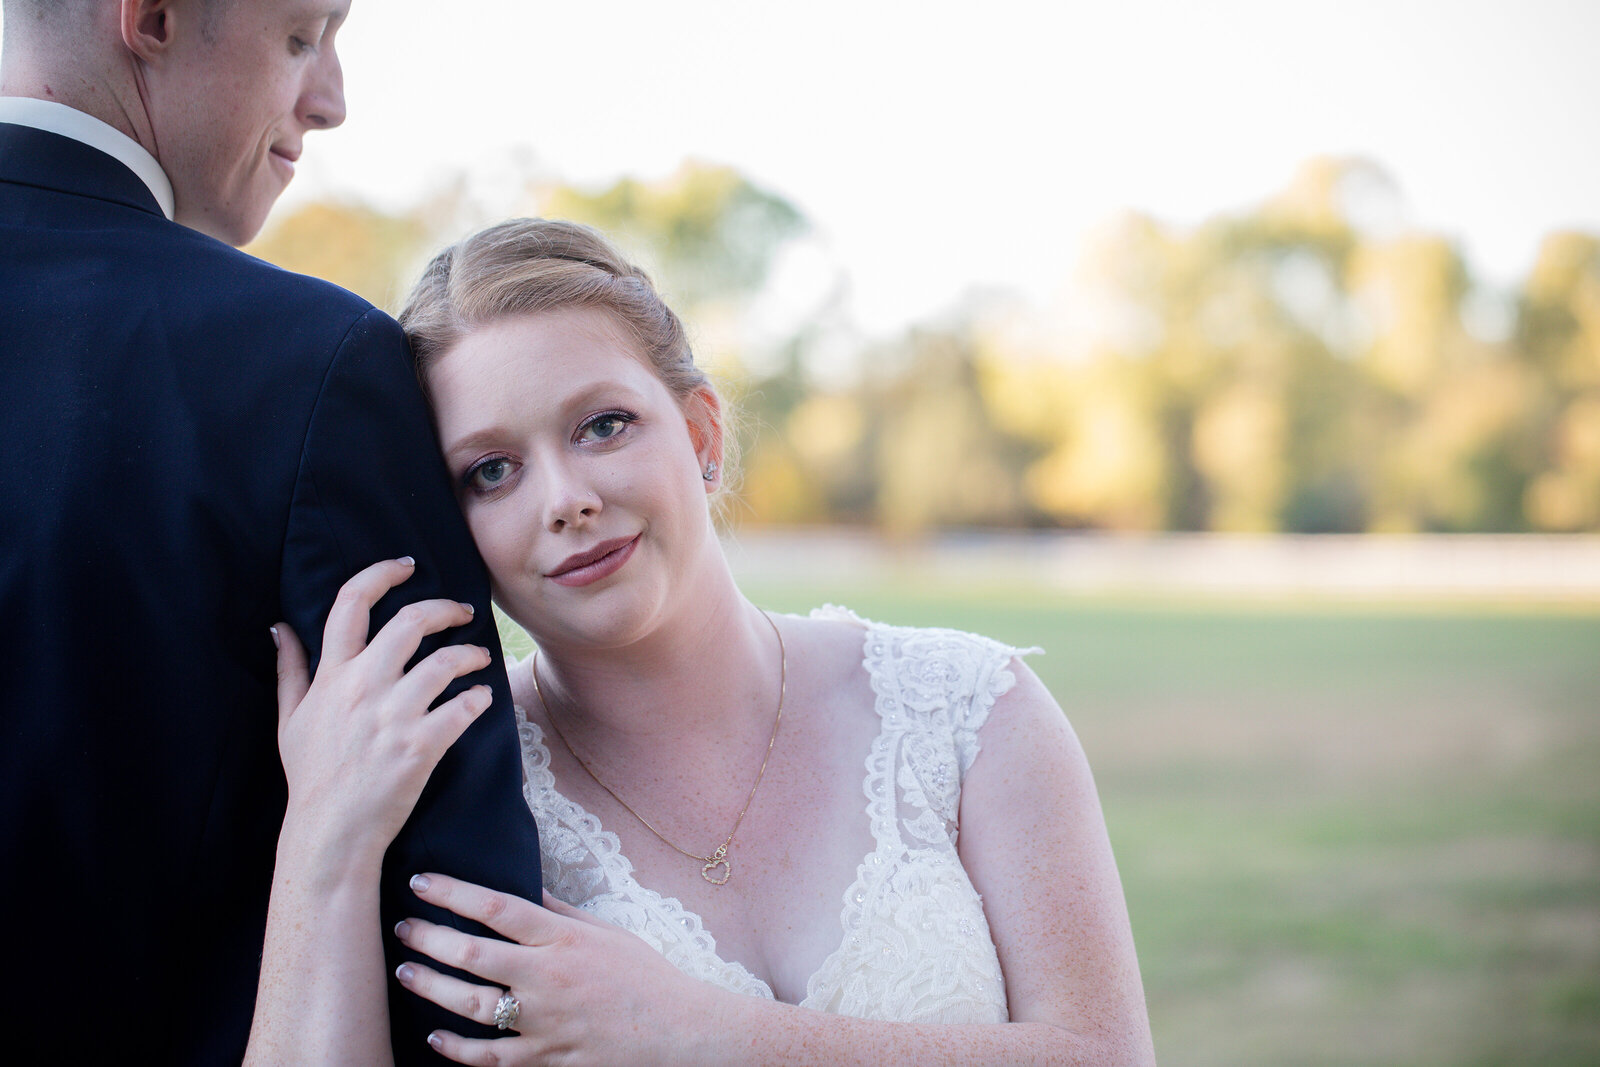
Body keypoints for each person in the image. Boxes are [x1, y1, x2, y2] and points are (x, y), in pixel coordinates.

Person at [268, 218, 1156, 1064]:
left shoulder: (967, 710)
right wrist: (321, 838)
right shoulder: (449, 787)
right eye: (491, 471)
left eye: (602, 425)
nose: (565, 498)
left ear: (701, 434)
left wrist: (706, 1037)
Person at [0, 2, 541, 1061]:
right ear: (150, 17)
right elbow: (462, 951)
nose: (330, 100)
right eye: (301, 35)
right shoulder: (313, 365)